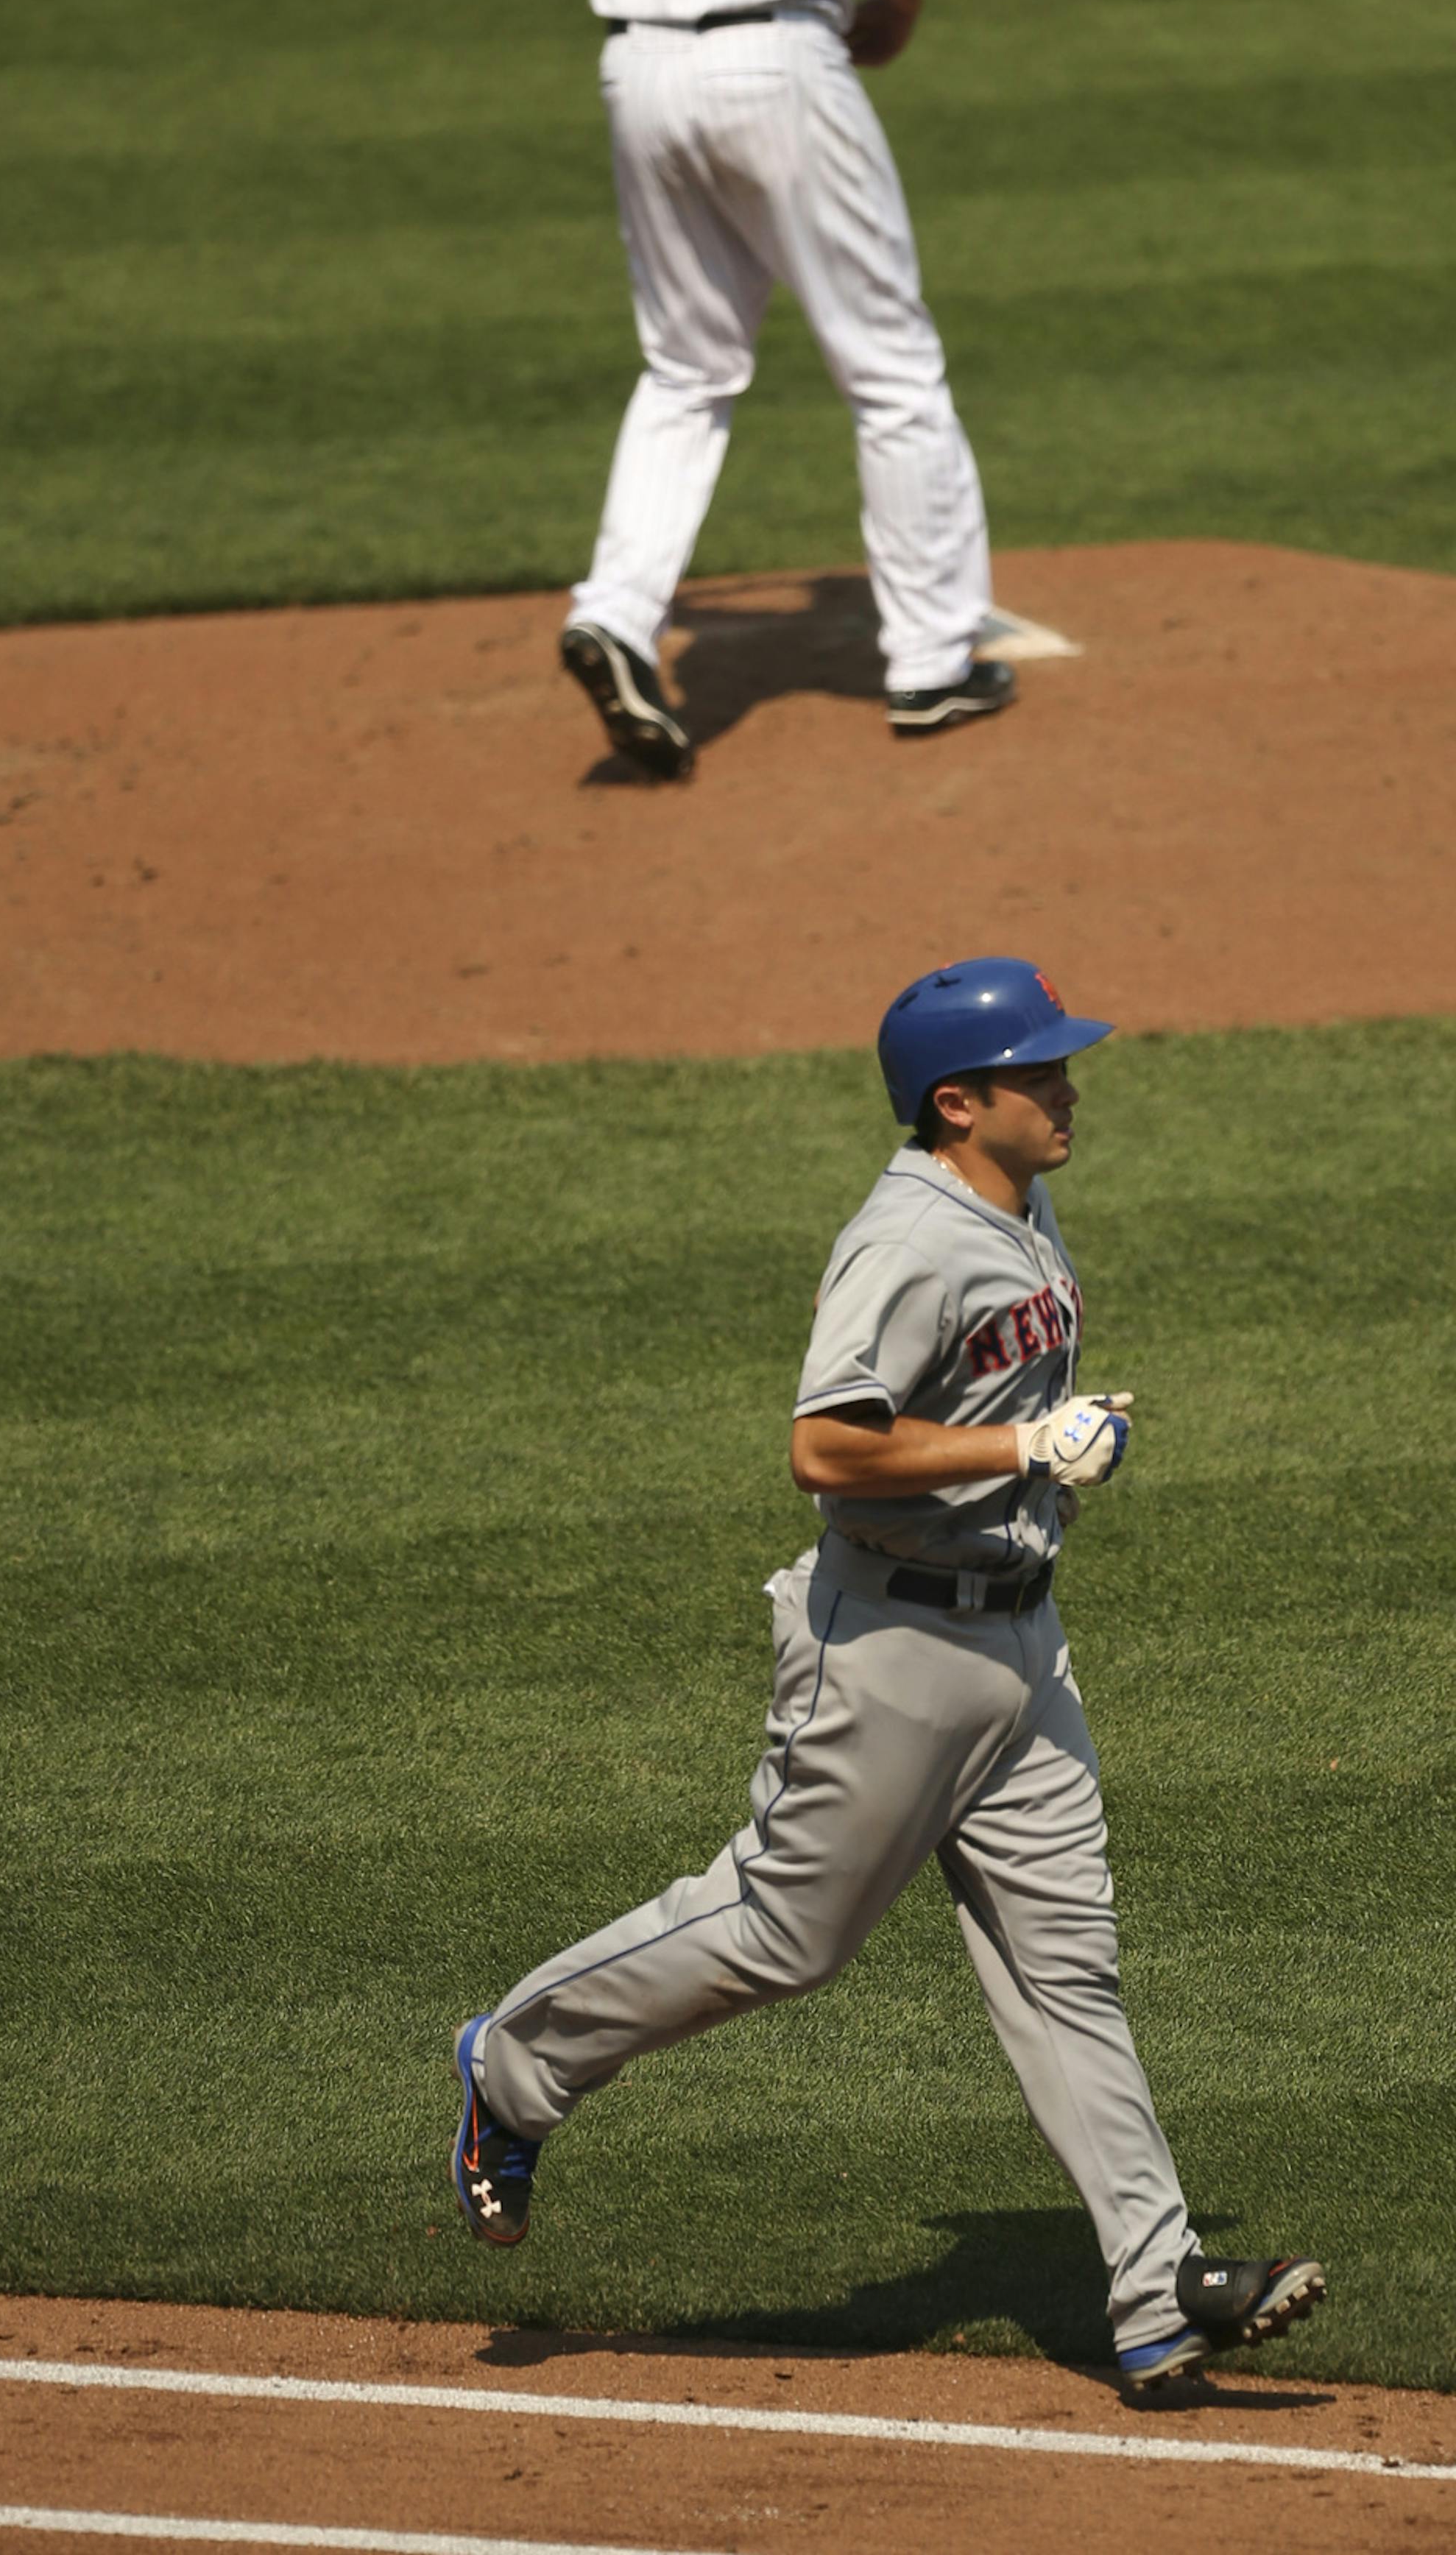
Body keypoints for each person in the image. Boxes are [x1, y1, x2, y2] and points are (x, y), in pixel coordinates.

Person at [450, 958, 1326, 2392]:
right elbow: (826, 1445)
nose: (1068, 1088)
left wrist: (1038, 1453)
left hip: (1020, 1644)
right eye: (1039, 1074)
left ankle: (1158, 2289)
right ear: (956, 1102)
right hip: (896, 1650)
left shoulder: (1018, 1197)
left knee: (1067, 1967)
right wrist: (1021, 1450)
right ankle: (512, 2068)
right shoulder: (904, 1241)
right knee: (783, 1935)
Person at [500, 0, 1014, 782]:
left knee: (685, 366)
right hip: (783, 65)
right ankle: (934, 665)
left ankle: (617, 612)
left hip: (642, 74)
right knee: (889, 367)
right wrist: (901, 11)